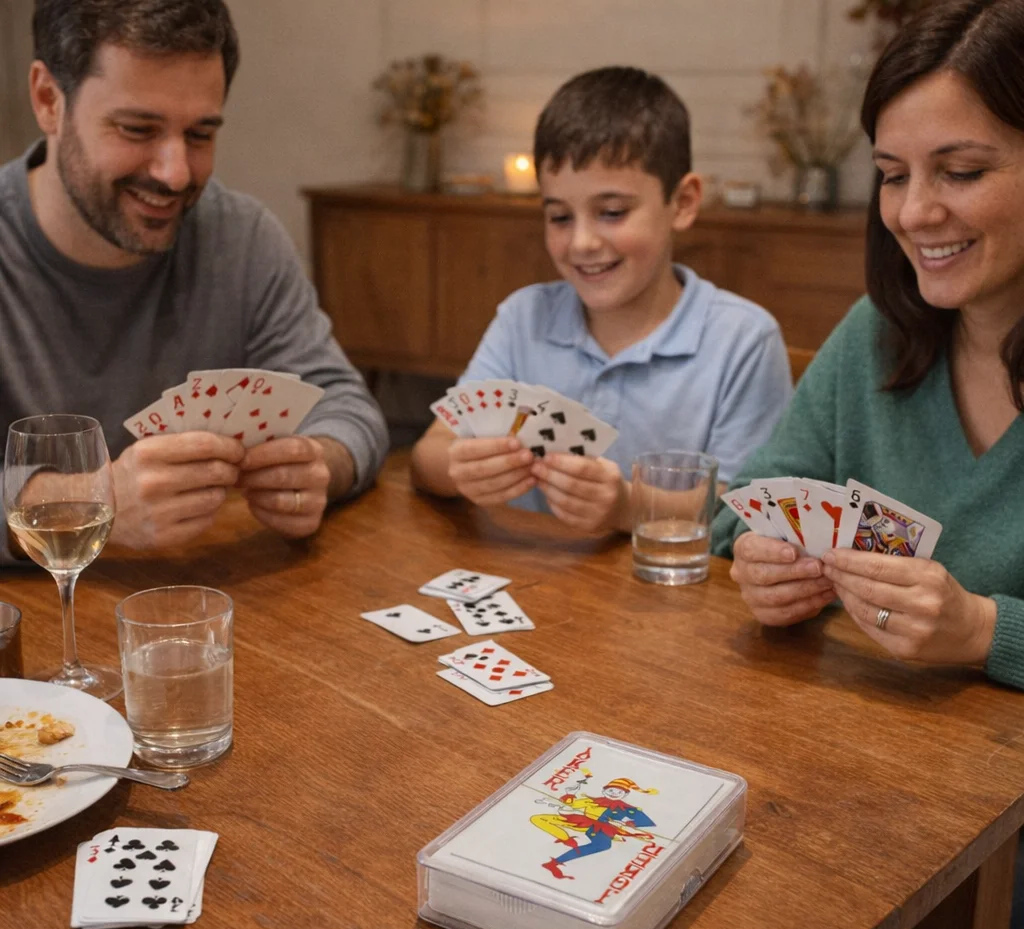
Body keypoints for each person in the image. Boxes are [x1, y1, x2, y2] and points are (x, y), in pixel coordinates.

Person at [705, 0, 1024, 929]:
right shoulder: (875, 332)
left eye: (960, 172)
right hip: (855, 787)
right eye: (892, 176)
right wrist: (763, 557)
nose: (914, 212)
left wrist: (983, 628)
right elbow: (745, 507)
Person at [0, 0, 389, 566]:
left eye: (201, 133)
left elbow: (348, 408)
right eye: (137, 128)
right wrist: (88, 502)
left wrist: (316, 464)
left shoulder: (243, 237)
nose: (175, 173)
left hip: (209, 611)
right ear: (47, 100)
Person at [410, 67, 792, 535]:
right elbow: (427, 455)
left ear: (685, 201)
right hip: (532, 577)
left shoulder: (743, 339)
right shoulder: (522, 319)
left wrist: (627, 507)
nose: (582, 243)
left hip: (669, 597)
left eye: (612, 213)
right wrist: (460, 468)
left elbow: (741, 510)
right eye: (559, 217)